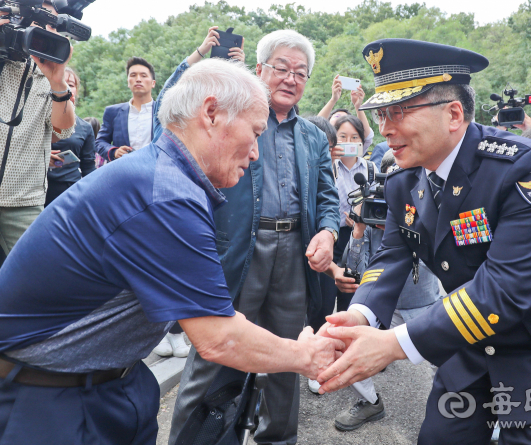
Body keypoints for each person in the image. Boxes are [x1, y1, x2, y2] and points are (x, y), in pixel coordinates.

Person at [0, 58, 343, 445]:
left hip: (112, 380)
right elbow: (219, 338)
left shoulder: (167, 175)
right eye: (255, 133)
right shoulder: (164, 194)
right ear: (211, 113)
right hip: (48, 397)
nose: (256, 154)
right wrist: (306, 356)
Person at [314, 38, 531, 445]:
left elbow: (505, 288)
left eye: (399, 112)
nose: (385, 128)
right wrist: (361, 315)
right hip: (472, 340)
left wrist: (394, 344)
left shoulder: (526, 166)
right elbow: (392, 254)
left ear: (454, 113)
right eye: (381, 113)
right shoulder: (404, 178)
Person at [169, 29, 340, 445]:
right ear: (259, 68)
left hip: (294, 254)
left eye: (300, 72)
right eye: (281, 67)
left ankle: (277, 439)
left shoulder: (315, 135)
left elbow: (327, 196)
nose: (290, 78)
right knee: (214, 354)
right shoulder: (234, 118)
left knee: (287, 355)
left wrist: (329, 232)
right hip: (235, 250)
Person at [150, 26, 246, 359]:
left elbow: (246, 117)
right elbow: (167, 96)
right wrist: (201, 51)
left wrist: (241, 72)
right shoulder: (171, 124)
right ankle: (164, 327)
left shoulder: (230, 132)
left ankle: (178, 329)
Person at [328, 149, 441, 431]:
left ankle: (458, 407)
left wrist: (410, 222)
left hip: (423, 305)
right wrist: (358, 231)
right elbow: (354, 271)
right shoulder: (368, 212)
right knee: (346, 345)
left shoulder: (428, 207)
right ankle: (370, 402)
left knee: (455, 361)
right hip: (382, 308)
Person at [0, 1, 76, 262]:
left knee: (37, 279)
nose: (44, 29)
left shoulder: (49, 74)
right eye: (37, 20)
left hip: (24, 200)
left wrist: (58, 82)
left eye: (51, 24)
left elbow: (63, 131)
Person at [306, 114, 377, 393]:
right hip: (329, 240)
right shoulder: (326, 166)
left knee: (352, 302)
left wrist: (360, 219)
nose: (348, 143)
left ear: (363, 141)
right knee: (322, 305)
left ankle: (350, 360)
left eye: (354, 138)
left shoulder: (370, 169)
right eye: (342, 138)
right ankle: (317, 363)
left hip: (358, 239)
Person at [45, 67, 96, 206]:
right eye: (61, 82)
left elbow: (88, 167)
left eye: (71, 84)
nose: (65, 87)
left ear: (76, 91)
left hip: (70, 190)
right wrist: (41, 156)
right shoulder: (36, 120)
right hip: (37, 189)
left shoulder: (85, 127)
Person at [95, 57, 156, 162]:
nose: (138, 79)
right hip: (123, 172)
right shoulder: (113, 112)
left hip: (155, 171)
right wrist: (114, 152)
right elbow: (99, 142)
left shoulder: (163, 111)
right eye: (133, 75)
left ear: (153, 83)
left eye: (143, 75)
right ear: (128, 82)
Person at [319, 75, 375, 161]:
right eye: (337, 116)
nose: (342, 120)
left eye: (345, 117)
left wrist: (358, 106)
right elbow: (315, 128)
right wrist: (333, 99)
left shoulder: (357, 148)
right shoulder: (324, 146)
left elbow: (367, 136)